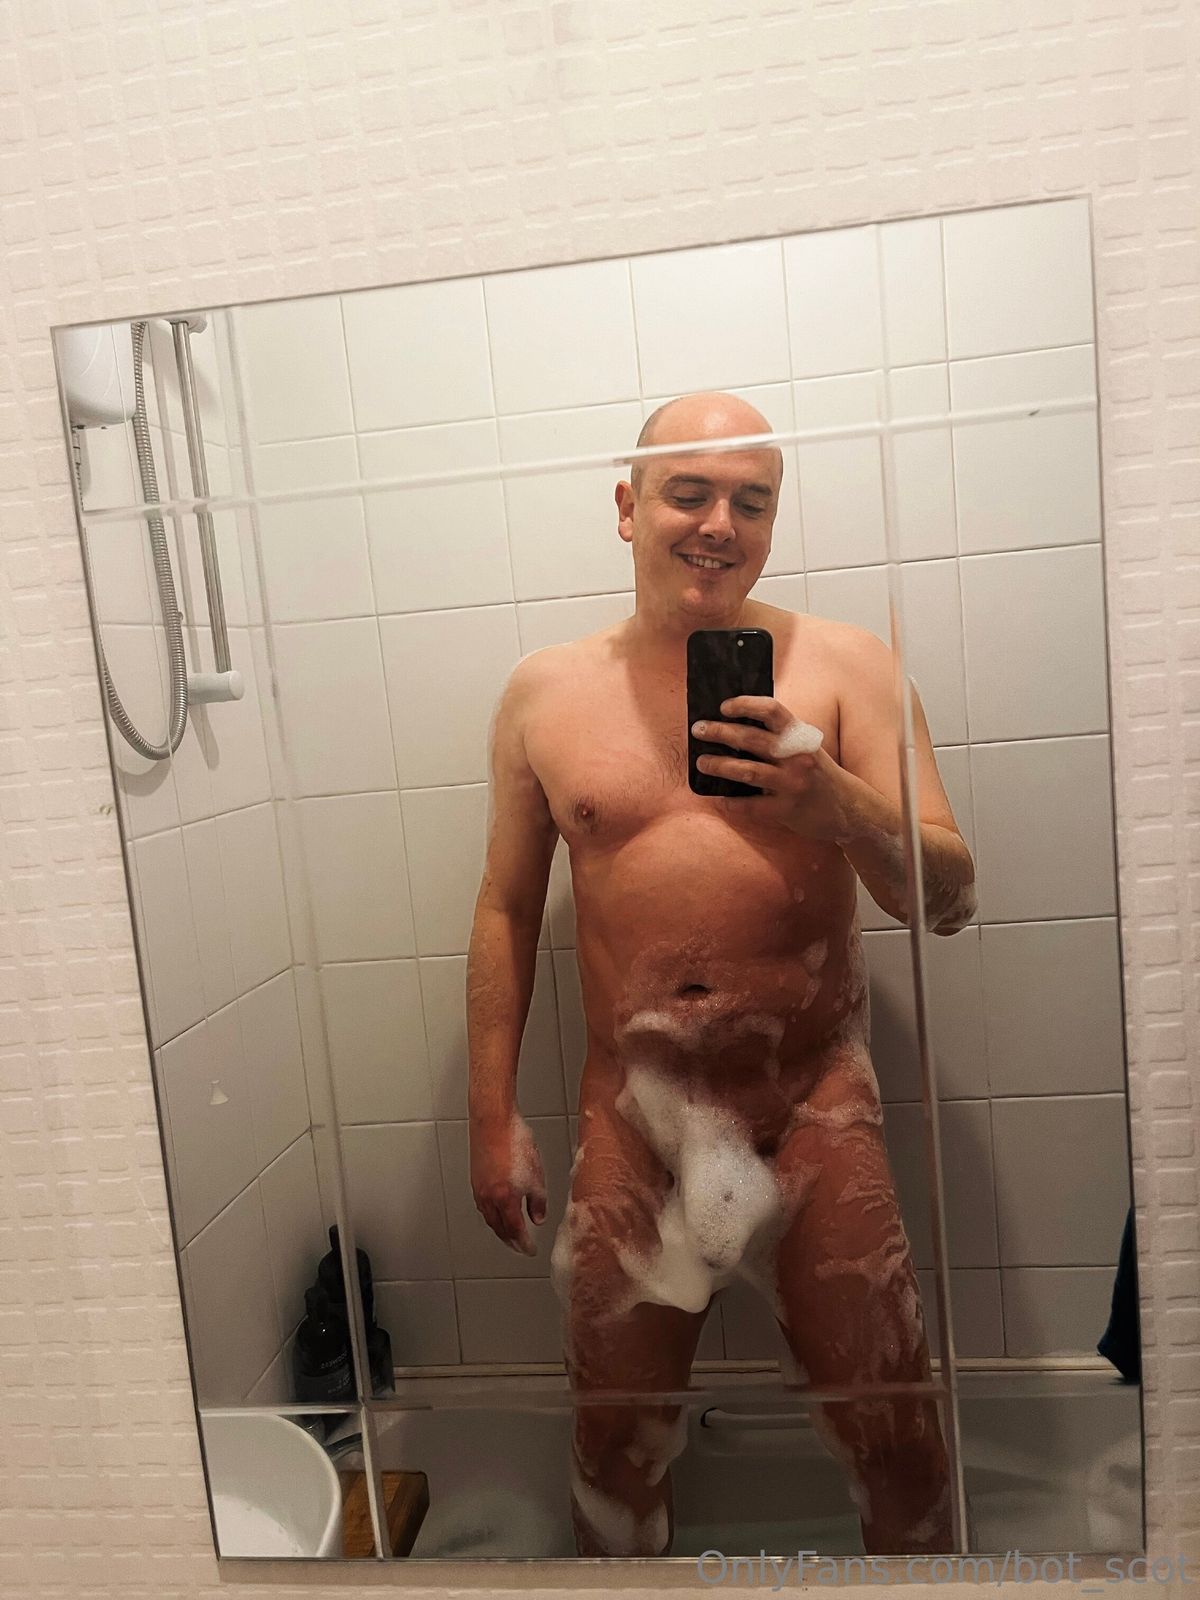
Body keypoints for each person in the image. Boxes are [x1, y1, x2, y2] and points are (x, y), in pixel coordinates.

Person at [466, 391, 977, 1557]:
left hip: (813, 1106)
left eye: (752, 500)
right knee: (613, 1446)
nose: (719, 524)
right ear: (627, 505)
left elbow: (948, 897)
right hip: (631, 1114)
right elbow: (504, 908)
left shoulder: (849, 667)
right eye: (689, 493)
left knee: (897, 1440)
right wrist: (491, 1115)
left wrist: (839, 805)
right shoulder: (545, 694)